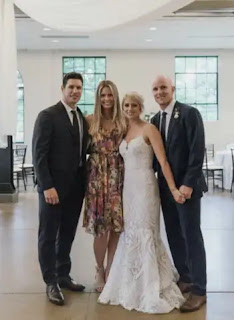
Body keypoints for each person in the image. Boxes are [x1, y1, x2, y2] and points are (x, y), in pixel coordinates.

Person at [98, 92, 185, 314]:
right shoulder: (123, 130)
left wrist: (174, 188)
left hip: (146, 186)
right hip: (128, 188)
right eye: (126, 105)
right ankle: (130, 281)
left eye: (134, 105)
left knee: (146, 231)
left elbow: (163, 161)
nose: (129, 108)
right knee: (130, 232)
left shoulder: (149, 129)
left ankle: (150, 283)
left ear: (140, 107)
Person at [151, 75, 207, 312]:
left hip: (187, 188)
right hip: (166, 189)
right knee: (174, 234)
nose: (159, 92)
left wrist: (187, 184)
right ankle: (185, 276)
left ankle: (199, 289)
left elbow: (197, 149)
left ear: (172, 88)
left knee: (191, 235)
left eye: (163, 87)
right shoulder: (154, 119)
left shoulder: (188, 113)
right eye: (155, 89)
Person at [32, 72, 89, 306]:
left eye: (79, 88)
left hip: (76, 188)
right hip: (53, 189)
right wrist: (47, 186)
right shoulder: (47, 116)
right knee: (48, 235)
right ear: (62, 88)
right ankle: (50, 281)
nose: (75, 91)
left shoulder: (82, 117)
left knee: (67, 233)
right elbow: (39, 155)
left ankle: (63, 274)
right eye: (71, 87)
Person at [83, 80, 126, 293]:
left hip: (119, 178)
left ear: (115, 97)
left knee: (117, 228)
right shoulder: (89, 121)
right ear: (98, 98)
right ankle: (99, 269)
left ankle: (111, 269)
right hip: (97, 179)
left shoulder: (124, 122)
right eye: (102, 95)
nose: (106, 99)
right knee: (101, 229)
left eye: (110, 95)